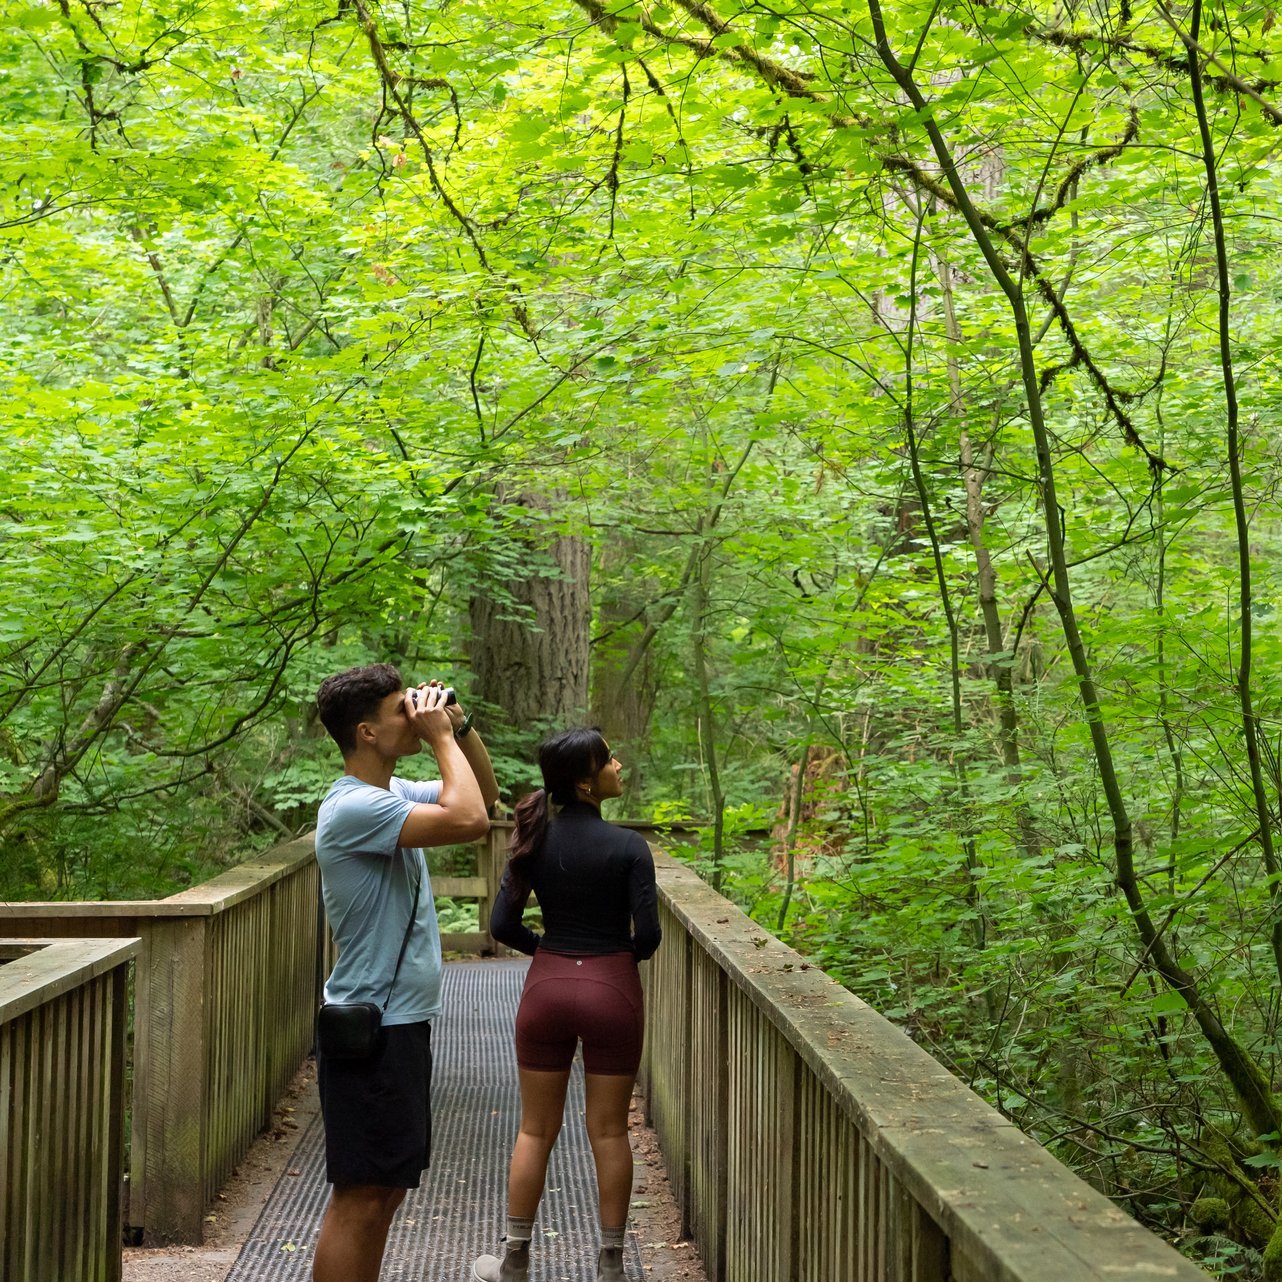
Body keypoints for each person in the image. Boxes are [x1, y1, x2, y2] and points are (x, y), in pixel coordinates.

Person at [312, 663, 499, 1282]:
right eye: (402, 710)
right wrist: (441, 739)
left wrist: (459, 725)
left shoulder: (390, 797)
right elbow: (469, 823)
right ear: (366, 732)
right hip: (373, 1023)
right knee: (361, 1197)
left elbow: (485, 799)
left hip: (398, 1021)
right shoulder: (353, 808)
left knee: (384, 1191)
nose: (416, 715)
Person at [472, 728, 661, 1282]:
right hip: (612, 988)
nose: (619, 764)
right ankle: (610, 1268)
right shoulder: (630, 847)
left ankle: (514, 1262)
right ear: (586, 781)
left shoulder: (534, 841)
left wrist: (548, 951)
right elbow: (646, 936)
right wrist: (613, 959)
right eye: (609, 760)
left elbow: (502, 925)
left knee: (535, 1130)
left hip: (547, 988)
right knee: (608, 1131)